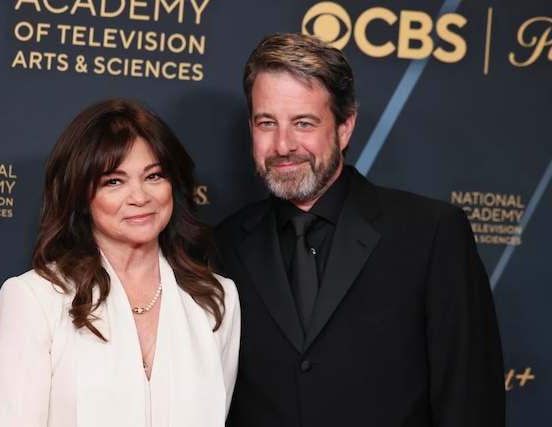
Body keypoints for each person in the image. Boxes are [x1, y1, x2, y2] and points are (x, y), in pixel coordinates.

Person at [215, 33, 505, 426]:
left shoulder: (431, 234)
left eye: (303, 123)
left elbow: (470, 403)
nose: (283, 145)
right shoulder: (222, 245)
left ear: (345, 126)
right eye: (267, 122)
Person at [0, 98, 240, 427]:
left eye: (154, 176)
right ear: (81, 195)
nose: (140, 197)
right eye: (114, 181)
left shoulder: (216, 299)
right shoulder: (34, 299)